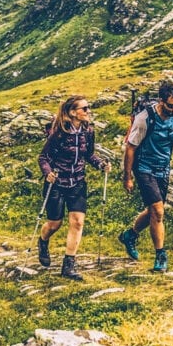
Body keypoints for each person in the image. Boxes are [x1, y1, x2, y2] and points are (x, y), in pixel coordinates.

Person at [120, 79, 173, 273]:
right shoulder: (145, 118)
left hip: (163, 169)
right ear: (161, 101)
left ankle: (130, 235)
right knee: (158, 211)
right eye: (170, 106)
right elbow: (131, 148)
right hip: (144, 167)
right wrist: (128, 177)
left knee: (153, 211)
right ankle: (160, 256)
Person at [37, 95, 108, 280]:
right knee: (55, 223)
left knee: (77, 222)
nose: (88, 111)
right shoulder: (59, 133)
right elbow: (43, 157)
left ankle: (68, 266)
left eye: (88, 107)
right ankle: (43, 241)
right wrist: (48, 173)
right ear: (72, 113)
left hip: (77, 181)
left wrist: (100, 164)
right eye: (84, 108)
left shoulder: (88, 132)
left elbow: (89, 155)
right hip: (57, 183)